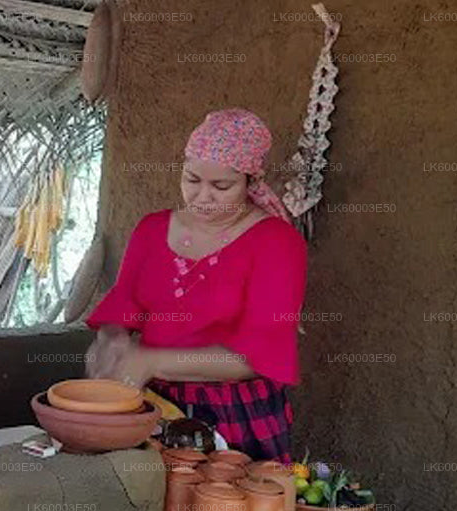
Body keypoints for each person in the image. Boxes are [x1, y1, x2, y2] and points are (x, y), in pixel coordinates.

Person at [86, 109, 307, 461]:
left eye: (222, 186)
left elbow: (259, 355)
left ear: (251, 183)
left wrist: (148, 361)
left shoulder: (277, 244)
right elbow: (123, 308)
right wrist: (111, 343)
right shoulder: (152, 229)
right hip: (151, 404)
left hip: (234, 415)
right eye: (191, 180)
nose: (202, 197)